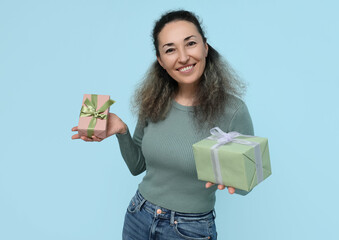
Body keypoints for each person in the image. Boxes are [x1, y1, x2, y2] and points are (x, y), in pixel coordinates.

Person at [72, 10, 254, 240]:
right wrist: (122, 132)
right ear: (160, 60)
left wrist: (232, 181)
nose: (183, 57)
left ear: (205, 47)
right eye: (170, 49)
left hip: (189, 229)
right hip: (139, 214)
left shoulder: (233, 111)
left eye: (190, 44)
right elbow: (138, 166)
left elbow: (246, 183)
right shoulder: (154, 101)